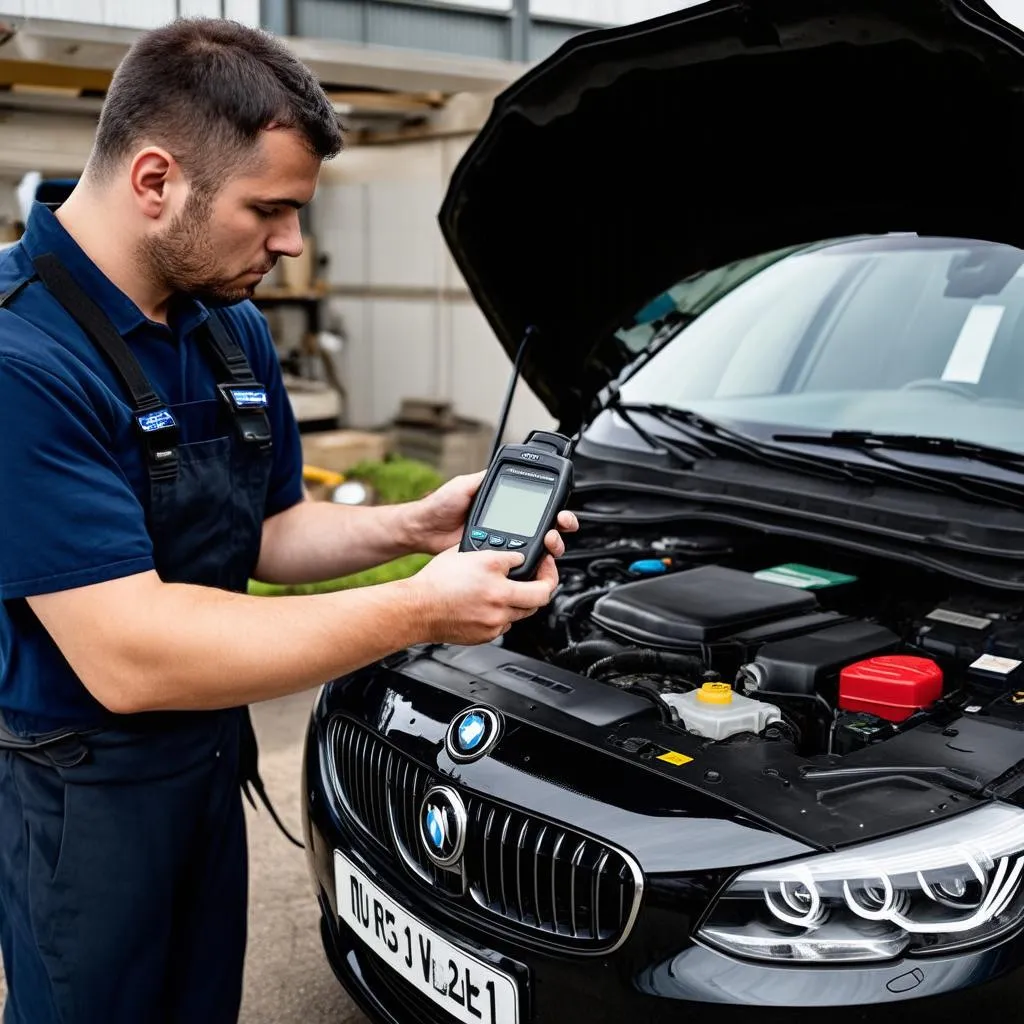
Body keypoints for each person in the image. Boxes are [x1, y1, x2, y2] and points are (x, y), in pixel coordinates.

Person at [0, 17, 577, 1024]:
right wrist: (418, 612)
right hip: (82, 795)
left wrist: (414, 528)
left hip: (208, 761)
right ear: (154, 180)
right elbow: (128, 655)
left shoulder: (228, 323)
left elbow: (266, 534)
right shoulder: (21, 360)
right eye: (268, 209)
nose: (291, 243)